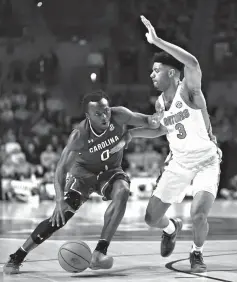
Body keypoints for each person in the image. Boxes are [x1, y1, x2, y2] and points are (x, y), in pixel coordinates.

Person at [3, 90, 161, 275]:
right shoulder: (79, 135)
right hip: (82, 176)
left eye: (106, 110)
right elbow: (61, 169)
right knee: (60, 218)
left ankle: (100, 253)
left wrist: (161, 115)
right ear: (88, 116)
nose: (105, 116)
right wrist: (59, 200)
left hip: (109, 172)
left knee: (123, 190)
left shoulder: (120, 115)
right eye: (98, 114)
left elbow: (152, 123)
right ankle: (18, 256)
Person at [112, 15, 222, 273]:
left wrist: (158, 41)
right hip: (179, 163)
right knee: (151, 218)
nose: (152, 74)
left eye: (156, 70)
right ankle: (171, 228)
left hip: (206, 161)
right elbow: (161, 128)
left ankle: (197, 254)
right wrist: (130, 135)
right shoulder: (160, 103)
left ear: (172, 73)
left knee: (198, 213)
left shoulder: (189, 90)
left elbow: (192, 62)